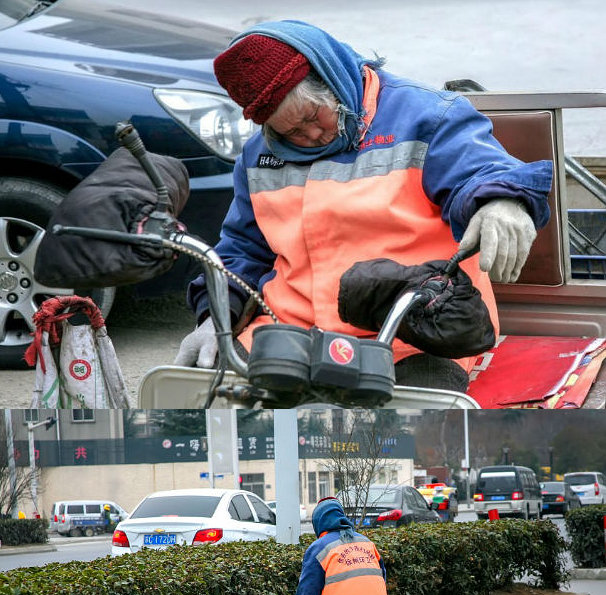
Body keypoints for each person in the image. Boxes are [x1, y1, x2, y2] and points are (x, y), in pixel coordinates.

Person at [176, 20, 553, 391]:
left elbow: (481, 169)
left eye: (312, 117)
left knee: (411, 426)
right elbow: (242, 251)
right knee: (215, 408)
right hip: (288, 331)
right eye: (289, 133)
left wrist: (502, 200)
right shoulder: (259, 156)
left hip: (413, 333)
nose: (308, 135)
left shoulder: (429, 117)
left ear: (334, 77)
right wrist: (214, 318)